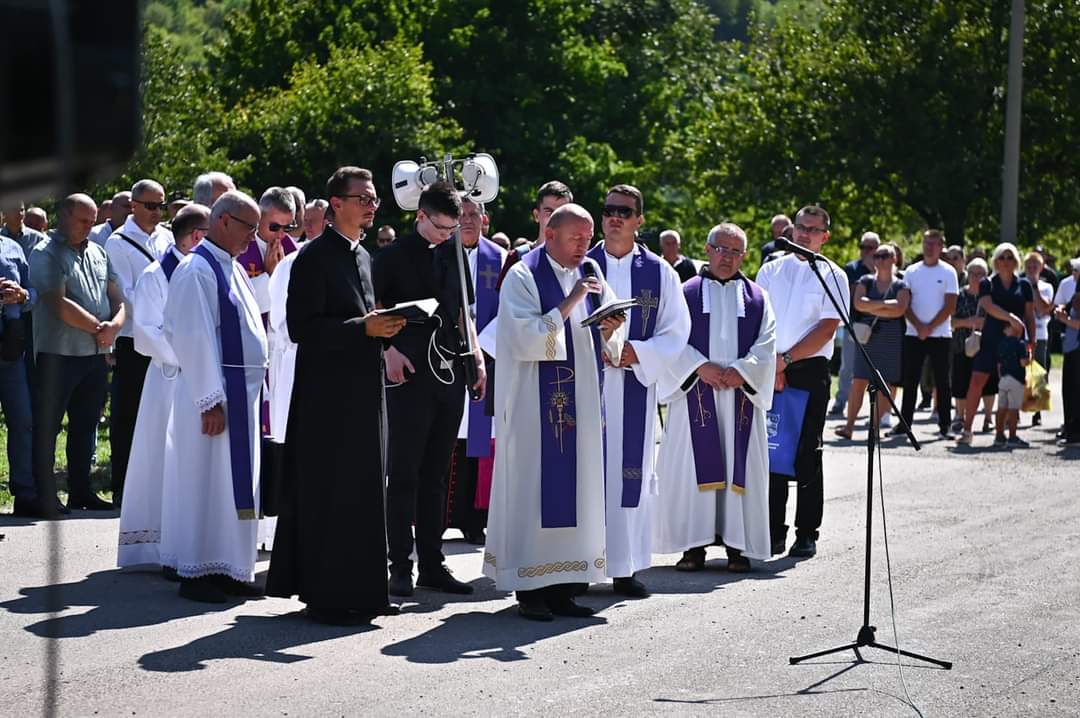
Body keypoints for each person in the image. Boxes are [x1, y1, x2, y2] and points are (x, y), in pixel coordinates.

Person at [267, 167, 405, 624]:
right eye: (362, 198)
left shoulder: (364, 256)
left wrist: (384, 326)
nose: (370, 205)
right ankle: (327, 595)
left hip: (363, 392)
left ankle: (364, 592)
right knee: (332, 493)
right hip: (326, 400)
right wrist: (363, 327)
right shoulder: (311, 258)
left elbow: (361, 317)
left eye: (374, 199)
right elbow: (302, 327)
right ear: (336, 205)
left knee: (365, 492)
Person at [483, 203, 625, 620]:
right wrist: (570, 302)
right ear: (550, 235)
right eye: (575, 238)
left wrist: (610, 329)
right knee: (535, 489)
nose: (585, 245)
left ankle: (566, 587)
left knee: (578, 489)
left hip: (580, 402)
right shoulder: (523, 276)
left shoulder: (591, 274)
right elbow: (523, 338)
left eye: (586, 237)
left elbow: (609, 335)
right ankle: (530, 588)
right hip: (533, 407)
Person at [374, 181, 486, 598]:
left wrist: (474, 356)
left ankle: (433, 562)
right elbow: (373, 308)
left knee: (438, 472)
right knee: (403, 471)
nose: (446, 235)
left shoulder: (455, 253)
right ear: (420, 216)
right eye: (440, 227)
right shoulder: (391, 257)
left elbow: (462, 312)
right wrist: (388, 351)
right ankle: (399, 565)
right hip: (409, 367)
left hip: (449, 368)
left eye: (452, 228)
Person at [159, 191, 268, 603]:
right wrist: (210, 400)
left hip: (240, 396)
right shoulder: (196, 270)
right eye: (249, 228)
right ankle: (197, 571)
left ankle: (228, 567)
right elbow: (192, 336)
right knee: (204, 483)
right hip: (216, 399)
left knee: (231, 486)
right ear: (223, 221)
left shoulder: (231, 266)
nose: (253, 238)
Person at [653, 222, 776, 572]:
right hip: (695, 391)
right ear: (707, 249)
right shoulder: (683, 292)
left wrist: (744, 369)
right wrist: (698, 367)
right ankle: (693, 546)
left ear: (745, 256)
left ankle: (738, 546)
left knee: (740, 467)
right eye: (722, 248)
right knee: (692, 469)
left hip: (740, 396)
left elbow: (767, 342)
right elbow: (670, 337)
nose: (727, 257)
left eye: (736, 251)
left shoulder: (758, 298)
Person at [587, 185, 690, 596]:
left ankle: (625, 566)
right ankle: (580, 565)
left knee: (629, 473)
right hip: (586, 386)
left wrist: (638, 352)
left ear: (639, 220)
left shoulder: (659, 271)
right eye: (609, 210)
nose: (615, 217)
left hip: (633, 383)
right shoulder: (580, 263)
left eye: (624, 212)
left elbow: (677, 328)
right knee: (586, 474)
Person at [117, 203, 209, 570]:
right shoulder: (156, 275)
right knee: (163, 460)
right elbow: (145, 334)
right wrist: (192, 356)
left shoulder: (199, 271)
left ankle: (187, 542)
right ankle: (158, 548)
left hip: (197, 377)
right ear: (197, 236)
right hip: (170, 378)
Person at [755, 205, 848, 559]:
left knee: (807, 449)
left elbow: (827, 327)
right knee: (772, 448)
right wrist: (773, 365)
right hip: (769, 367)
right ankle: (771, 531)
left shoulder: (832, 274)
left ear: (825, 236)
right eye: (800, 227)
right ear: (791, 230)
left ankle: (806, 532)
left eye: (813, 229)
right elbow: (759, 319)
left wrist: (787, 361)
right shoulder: (770, 270)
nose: (805, 234)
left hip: (808, 369)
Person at [29, 194, 126, 516]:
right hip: (58, 355)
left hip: (94, 354)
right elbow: (56, 303)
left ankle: (81, 491)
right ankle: (44, 495)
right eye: (84, 220)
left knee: (86, 425)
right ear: (64, 217)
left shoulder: (99, 251)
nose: (90, 226)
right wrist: (100, 327)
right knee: (49, 426)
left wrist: (115, 325)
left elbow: (118, 297)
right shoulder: (46, 252)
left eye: (93, 219)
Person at [105, 179, 173, 503]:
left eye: (161, 205)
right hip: (133, 339)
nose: (157, 212)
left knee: (162, 414)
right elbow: (126, 294)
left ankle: (158, 487)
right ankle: (123, 488)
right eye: (150, 206)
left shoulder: (167, 237)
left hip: (165, 340)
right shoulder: (117, 243)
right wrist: (163, 313)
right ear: (133, 205)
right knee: (128, 416)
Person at [443, 198, 505, 545]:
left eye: (472, 215)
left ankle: (473, 517)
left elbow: (509, 308)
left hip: (486, 358)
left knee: (478, 442)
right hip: (448, 358)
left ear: (485, 219)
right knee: (450, 435)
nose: (467, 221)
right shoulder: (441, 253)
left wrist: (480, 346)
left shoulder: (500, 260)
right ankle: (440, 516)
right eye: (460, 215)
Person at [958, 243, 1035, 446]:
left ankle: (1008, 434)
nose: (1006, 261)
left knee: (1012, 388)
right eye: (1002, 257)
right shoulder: (987, 283)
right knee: (976, 383)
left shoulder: (1024, 285)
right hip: (990, 341)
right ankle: (967, 430)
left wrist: (1031, 343)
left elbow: (1029, 316)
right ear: (995, 260)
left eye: (1010, 257)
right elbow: (987, 305)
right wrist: (1010, 318)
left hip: (1014, 344)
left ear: (1016, 261)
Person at [834, 243, 910, 439]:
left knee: (886, 384)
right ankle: (849, 427)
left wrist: (872, 306)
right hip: (867, 337)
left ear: (895, 259)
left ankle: (874, 429)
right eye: (877, 255)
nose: (880, 259)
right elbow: (858, 304)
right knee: (858, 380)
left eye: (885, 255)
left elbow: (901, 309)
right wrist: (886, 307)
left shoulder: (901, 284)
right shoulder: (865, 281)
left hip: (891, 338)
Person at [895, 229, 957, 438]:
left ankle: (945, 425)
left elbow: (950, 305)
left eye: (934, 244)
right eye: (926, 243)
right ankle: (904, 424)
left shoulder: (949, 272)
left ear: (941, 247)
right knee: (910, 380)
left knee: (943, 381)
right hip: (914, 333)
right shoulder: (911, 271)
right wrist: (919, 326)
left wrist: (930, 327)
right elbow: (905, 302)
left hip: (940, 335)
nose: (929, 247)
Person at [0, 221, 37, 517]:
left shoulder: (13, 249)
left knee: (23, 420)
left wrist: (22, 296)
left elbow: (33, 293)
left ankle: (24, 493)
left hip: (11, 348)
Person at [830, 231, 880, 416]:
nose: (865, 251)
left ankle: (878, 410)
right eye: (863, 247)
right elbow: (850, 296)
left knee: (876, 367)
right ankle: (840, 402)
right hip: (855, 323)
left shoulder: (884, 268)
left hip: (879, 325)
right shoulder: (851, 268)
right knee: (847, 367)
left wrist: (874, 271)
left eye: (870, 248)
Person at [495, 181, 574, 287]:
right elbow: (501, 301)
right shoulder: (517, 258)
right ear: (536, 215)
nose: (556, 219)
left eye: (561, 213)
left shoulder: (578, 262)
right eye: (549, 212)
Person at [950, 258, 995, 435]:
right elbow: (951, 322)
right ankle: (960, 417)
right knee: (961, 382)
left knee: (989, 383)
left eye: (980, 274)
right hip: (962, 345)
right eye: (973, 273)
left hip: (986, 345)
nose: (976, 277)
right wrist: (969, 322)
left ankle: (988, 418)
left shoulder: (990, 296)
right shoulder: (959, 295)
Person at [1023, 251, 1055, 426]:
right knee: (1020, 372)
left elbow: (1043, 310)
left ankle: (1037, 412)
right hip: (1023, 333)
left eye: (1035, 266)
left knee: (1039, 373)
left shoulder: (1047, 287)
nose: (1032, 269)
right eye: (1029, 266)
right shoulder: (1019, 284)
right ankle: (1016, 410)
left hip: (1041, 334)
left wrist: (1034, 288)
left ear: (1041, 268)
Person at [994, 322, 1029, 447]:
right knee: (1013, 409)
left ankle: (999, 435)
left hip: (1003, 378)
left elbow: (998, 364)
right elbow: (1023, 362)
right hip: (1016, 379)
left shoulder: (1001, 344)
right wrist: (1028, 358)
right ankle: (1012, 437)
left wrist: (1000, 377)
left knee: (1001, 408)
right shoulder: (1020, 344)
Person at [1053, 286, 1080, 446]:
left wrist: (1065, 320)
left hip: (1077, 350)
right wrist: (1062, 309)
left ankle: (1076, 434)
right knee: (1069, 391)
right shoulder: (1076, 293)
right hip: (1071, 349)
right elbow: (1068, 306)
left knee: (1075, 392)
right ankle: (1071, 431)